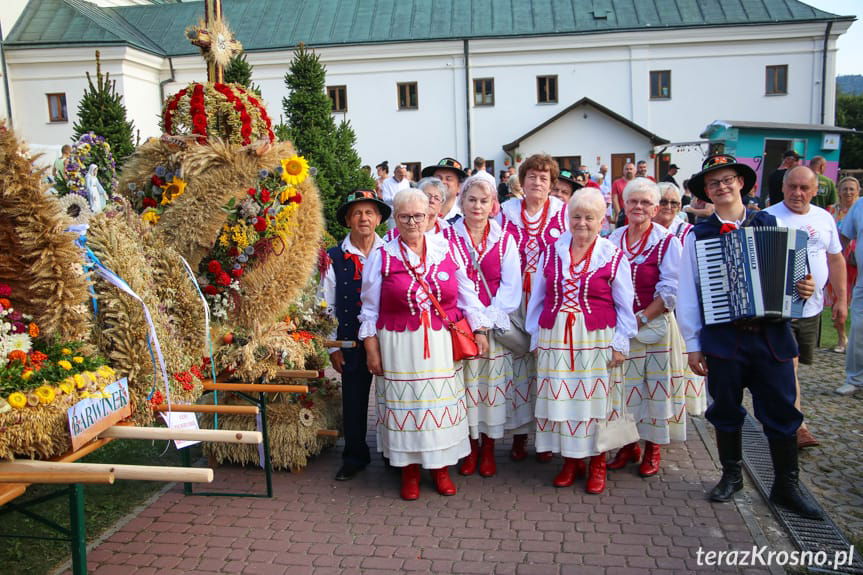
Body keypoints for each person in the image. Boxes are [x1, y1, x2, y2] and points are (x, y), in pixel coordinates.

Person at [678, 154, 821, 519]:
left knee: (782, 409)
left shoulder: (771, 223)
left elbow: (797, 283)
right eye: (713, 183)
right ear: (706, 192)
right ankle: (731, 476)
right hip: (724, 339)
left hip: (771, 338)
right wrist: (693, 345)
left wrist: (804, 289)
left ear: (741, 183)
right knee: (725, 409)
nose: (722, 187)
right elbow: (689, 294)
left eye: (728, 179)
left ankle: (786, 486)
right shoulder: (698, 235)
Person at [359, 189, 491, 500]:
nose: (412, 222)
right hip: (399, 345)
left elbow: (467, 293)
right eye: (405, 216)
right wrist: (372, 349)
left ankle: (440, 470)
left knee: (438, 406)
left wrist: (480, 329)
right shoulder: (382, 255)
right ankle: (409, 472)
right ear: (395, 218)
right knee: (407, 407)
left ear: (430, 216)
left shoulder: (446, 249)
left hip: (441, 344)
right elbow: (369, 308)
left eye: (419, 216)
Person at [525, 188, 636, 494]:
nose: (582, 223)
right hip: (556, 338)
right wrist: (536, 335)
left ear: (602, 221)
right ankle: (571, 461)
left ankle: (597, 462)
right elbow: (538, 298)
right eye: (576, 216)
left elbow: (625, 305)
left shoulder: (612, 255)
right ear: (567, 218)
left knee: (595, 401)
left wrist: (620, 342)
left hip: (596, 338)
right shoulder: (552, 251)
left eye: (589, 217)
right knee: (563, 400)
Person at [607, 178, 688, 479]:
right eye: (633, 201)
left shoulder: (667, 241)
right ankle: (628, 446)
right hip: (620, 329)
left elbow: (670, 290)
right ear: (624, 205)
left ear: (655, 209)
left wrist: (640, 318)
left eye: (645, 202)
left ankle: (653, 448)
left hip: (653, 326)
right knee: (622, 389)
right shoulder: (613, 238)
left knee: (655, 389)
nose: (638, 207)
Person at [445, 176, 522, 477]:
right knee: (466, 388)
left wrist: (487, 322)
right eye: (472, 199)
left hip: (494, 325)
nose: (477, 206)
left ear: (493, 205)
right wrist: (476, 324)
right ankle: (470, 447)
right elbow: (458, 284)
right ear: (462, 202)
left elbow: (511, 286)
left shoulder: (505, 239)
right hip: (463, 325)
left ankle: (488, 447)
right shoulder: (448, 238)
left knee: (492, 389)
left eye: (484, 200)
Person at [766, 166, 846, 449]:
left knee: (795, 366)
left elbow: (835, 259)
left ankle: (783, 416)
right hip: (780, 309)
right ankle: (797, 425)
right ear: (783, 187)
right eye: (792, 187)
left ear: (815, 191)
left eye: (804, 188)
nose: (797, 193)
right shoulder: (769, 217)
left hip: (812, 308)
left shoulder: (824, 217)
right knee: (789, 365)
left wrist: (841, 299)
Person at [497, 154, 568, 462]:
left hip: (549, 300)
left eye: (544, 178)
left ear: (551, 184)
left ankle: (547, 437)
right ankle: (520, 434)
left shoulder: (564, 212)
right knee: (518, 368)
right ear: (521, 181)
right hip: (515, 299)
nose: (537, 183)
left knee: (548, 366)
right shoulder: (506, 212)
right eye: (532, 177)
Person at [320, 190, 390, 481]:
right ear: (348, 220)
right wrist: (332, 347)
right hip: (350, 339)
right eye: (357, 213)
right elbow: (326, 304)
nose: (364, 218)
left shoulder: (391, 251)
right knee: (354, 399)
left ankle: (393, 454)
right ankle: (354, 456)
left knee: (392, 397)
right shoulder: (334, 257)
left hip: (388, 338)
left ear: (378, 219)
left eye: (369, 212)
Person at [652, 181, 706, 434]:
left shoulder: (687, 232)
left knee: (679, 367)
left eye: (674, 203)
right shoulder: (643, 230)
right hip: (652, 308)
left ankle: (674, 417)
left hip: (680, 309)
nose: (669, 207)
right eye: (663, 201)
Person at [828, 177, 860, 353]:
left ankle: (856, 339)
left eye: (852, 189)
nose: (848, 192)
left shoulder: (859, 209)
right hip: (838, 261)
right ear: (839, 191)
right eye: (845, 189)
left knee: (857, 301)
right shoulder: (831, 211)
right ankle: (842, 337)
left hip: (857, 262)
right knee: (839, 300)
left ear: (858, 191)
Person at [838, 177, 863, 395]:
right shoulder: (860, 206)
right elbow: (844, 236)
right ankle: (855, 378)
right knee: (858, 328)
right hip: (862, 281)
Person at [422, 157, 468, 223]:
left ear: (459, 187)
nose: (442, 182)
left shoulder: (466, 213)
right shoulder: (420, 210)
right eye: (438, 178)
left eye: (448, 179)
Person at [380, 164, 410, 228]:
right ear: (395, 173)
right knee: (393, 232)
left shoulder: (406, 182)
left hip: (404, 213)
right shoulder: (387, 182)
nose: (402, 177)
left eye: (404, 175)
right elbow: (385, 199)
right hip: (392, 215)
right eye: (401, 175)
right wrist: (399, 198)